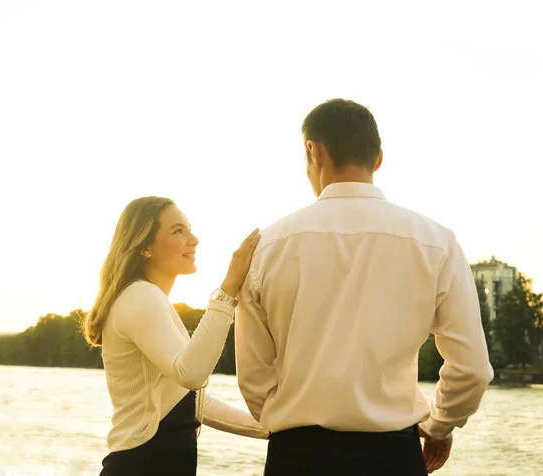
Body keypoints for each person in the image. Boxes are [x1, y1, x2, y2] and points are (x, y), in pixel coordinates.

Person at [235, 99, 494, 475]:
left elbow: (254, 379)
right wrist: (440, 426)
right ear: (378, 159)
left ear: (314, 151)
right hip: (392, 457)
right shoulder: (436, 242)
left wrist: (291, 422)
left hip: (296, 456)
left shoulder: (266, 247)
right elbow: (472, 369)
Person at [81, 196, 268, 476]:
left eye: (189, 228)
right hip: (143, 465)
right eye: (178, 231)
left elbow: (189, 400)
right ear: (144, 246)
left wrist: (271, 430)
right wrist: (227, 290)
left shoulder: (146, 298)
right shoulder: (140, 296)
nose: (194, 239)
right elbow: (191, 373)